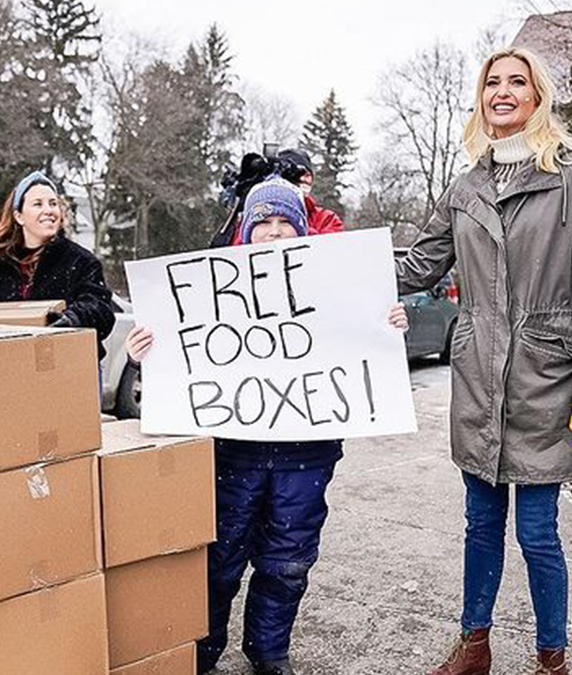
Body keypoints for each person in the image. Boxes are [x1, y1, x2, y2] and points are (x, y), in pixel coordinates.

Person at [125, 177, 409, 675]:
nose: (275, 234)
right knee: (218, 561)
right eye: (264, 225)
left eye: (286, 224)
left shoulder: (333, 293)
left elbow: (359, 345)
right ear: (245, 233)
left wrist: (385, 327)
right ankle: (202, 651)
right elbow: (182, 357)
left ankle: (268, 650)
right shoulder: (212, 291)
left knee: (288, 561)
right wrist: (145, 352)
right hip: (233, 453)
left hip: (307, 455)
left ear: (302, 231)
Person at [395, 48, 572, 675]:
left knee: (538, 532)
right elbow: (418, 265)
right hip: (477, 375)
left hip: (547, 375)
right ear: (480, 97)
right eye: (492, 81)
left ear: (538, 95)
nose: (502, 90)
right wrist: (337, 276)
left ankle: (552, 659)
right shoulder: (467, 186)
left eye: (516, 81)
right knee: (479, 523)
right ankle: (474, 646)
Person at [0, 170, 114, 359]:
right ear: (19, 216)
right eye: (38, 204)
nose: (49, 210)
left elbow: (101, 309)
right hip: (9, 365)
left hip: (69, 365)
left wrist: (72, 319)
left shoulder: (81, 261)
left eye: (53, 204)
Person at [228, 148, 344, 246]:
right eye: (298, 175)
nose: (274, 232)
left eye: (308, 175)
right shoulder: (257, 208)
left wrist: (297, 230)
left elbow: (330, 253)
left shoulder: (326, 219)